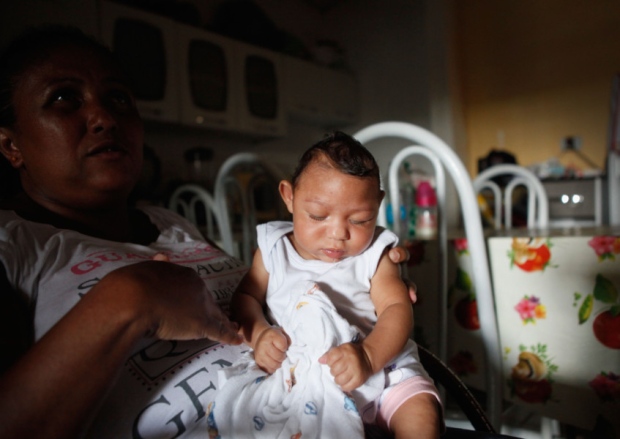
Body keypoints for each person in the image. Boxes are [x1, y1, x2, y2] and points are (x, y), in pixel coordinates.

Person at [0, 26, 413, 439]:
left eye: (119, 99)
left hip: (337, 406)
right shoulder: (14, 246)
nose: (104, 117)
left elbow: (266, 295)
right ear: (9, 144)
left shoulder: (170, 224)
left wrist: (365, 273)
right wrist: (130, 299)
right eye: (63, 98)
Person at [215, 132, 441, 439]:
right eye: (318, 215)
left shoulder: (376, 254)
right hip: (302, 374)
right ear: (289, 197)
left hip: (383, 367)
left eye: (360, 220)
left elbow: (397, 308)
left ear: (378, 205)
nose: (338, 234)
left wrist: (370, 356)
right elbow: (245, 296)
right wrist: (259, 333)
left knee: (421, 414)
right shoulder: (273, 250)